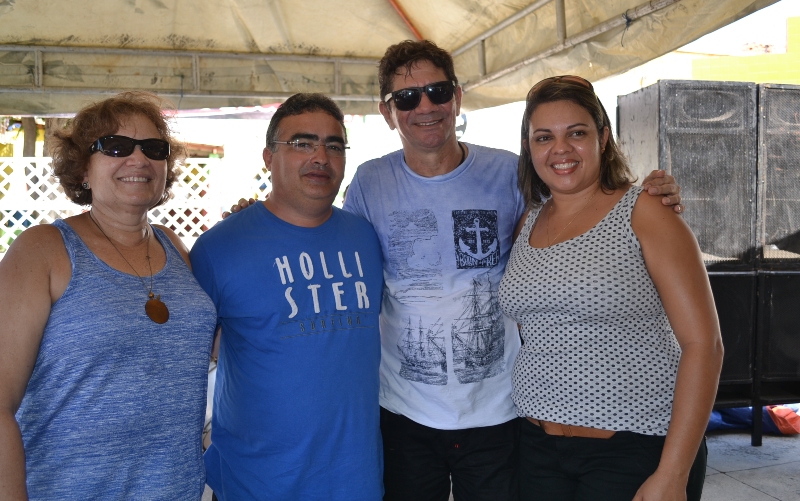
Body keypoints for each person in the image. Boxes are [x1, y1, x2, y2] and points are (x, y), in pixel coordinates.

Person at [341, 40, 684, 501]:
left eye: (437, 91)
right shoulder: (369, 182)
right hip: (405, 411)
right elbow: (341, 258)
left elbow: (578, 195)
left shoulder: (509, 172)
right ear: (387, 112)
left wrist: (651, 194)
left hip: (501, 411)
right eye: (406, 97)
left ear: (457, 97)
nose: (424, 106)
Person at [498, 76, 723, 501]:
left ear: (602, 138)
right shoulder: (529, 220)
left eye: (576, 133)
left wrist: (673, 473)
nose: (560, 149)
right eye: (544, 137)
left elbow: (704, 345)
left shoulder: (645, 211)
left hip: (633, 448)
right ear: (529, 147)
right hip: (536, 448)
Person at [0, 92, 217, 500]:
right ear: (83, 167)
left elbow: (220, 345)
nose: (139, 159)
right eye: (116, 146)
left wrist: (245, 240)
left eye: (153, 148)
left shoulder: (174, 245)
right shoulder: (42, 250)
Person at [190, 93, 385, 500]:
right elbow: (190, 361)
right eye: (302, 143)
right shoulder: (218, 249)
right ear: (269, 156)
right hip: (257, 483)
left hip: (356, 479)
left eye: (334, 145)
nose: (320, 157)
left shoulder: (366, 237)